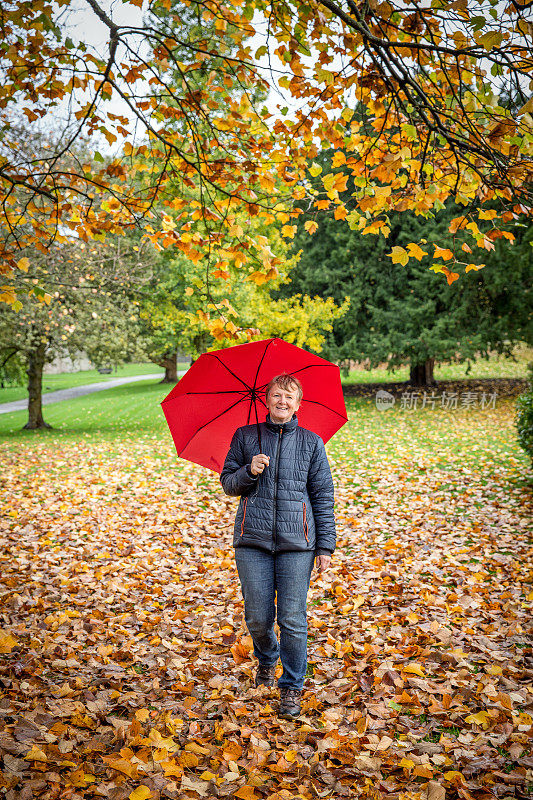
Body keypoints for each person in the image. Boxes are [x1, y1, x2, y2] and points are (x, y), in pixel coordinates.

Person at [220, 373, 336, 719]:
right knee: (257, 618)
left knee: (292, 618)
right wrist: (248, 471)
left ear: (298, 404)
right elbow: (228, 483)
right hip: (252, 540)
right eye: (276, 395)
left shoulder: (312, 443)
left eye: (289, 396)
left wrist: (325, 547)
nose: (282, 401)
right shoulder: (245, 437)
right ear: (266, 400)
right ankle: (267, 658)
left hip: (296, 543)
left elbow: (323, 496)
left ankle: (291, 687)